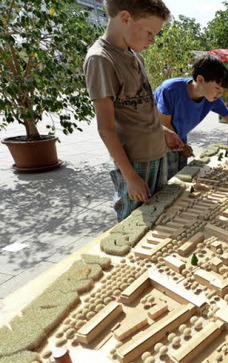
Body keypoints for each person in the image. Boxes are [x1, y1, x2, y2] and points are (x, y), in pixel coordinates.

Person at [83, 0, 185, 221]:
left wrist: (162, 131)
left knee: (159, 217)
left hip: (157, 154)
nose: (152, 40)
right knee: (135, 225)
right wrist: (130, 177)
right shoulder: (101, 59)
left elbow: (139, 106)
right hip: (135, 164)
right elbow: (106, 129)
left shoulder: (135, 55)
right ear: (126, 18)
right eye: (150, 32)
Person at [154, 54, 228, 178]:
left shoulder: (212, 99)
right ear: (200, 80)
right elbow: (165, 125)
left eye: (222, 90)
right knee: (164, 181)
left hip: (180, 140)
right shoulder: (170, 89)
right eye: (217, 88)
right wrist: (182, 147)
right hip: (158, 140)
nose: (220, 93)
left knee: (181, 177)